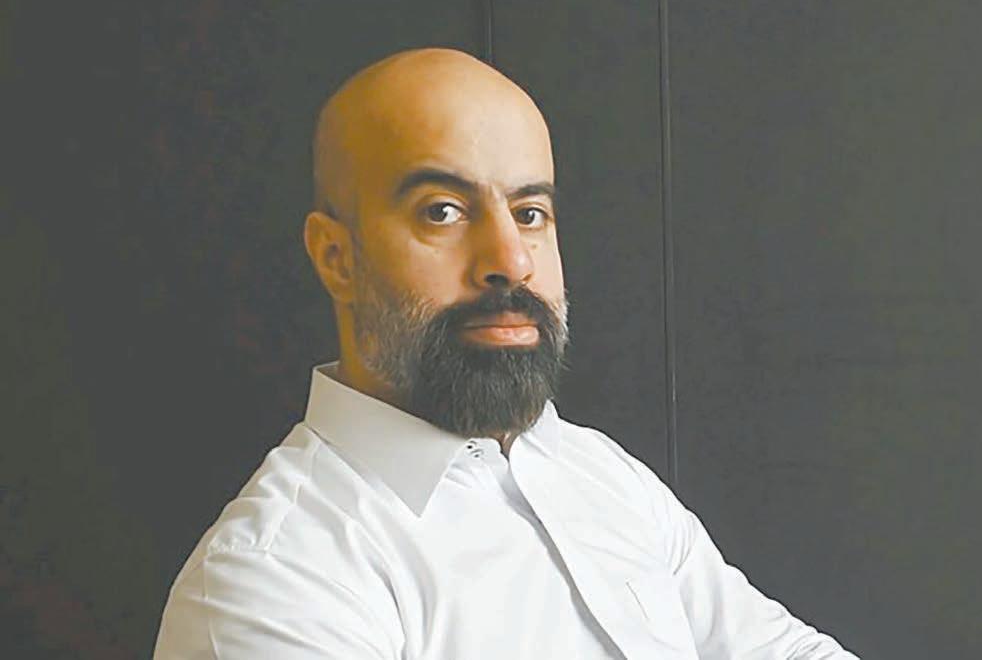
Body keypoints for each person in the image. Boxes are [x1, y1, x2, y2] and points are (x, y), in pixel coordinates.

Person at [153, 47, 858, 659]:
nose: (511, 260)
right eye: (442, 211)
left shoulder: (600, 473)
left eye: (529, 213)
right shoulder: (274, 580)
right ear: (337, 257)